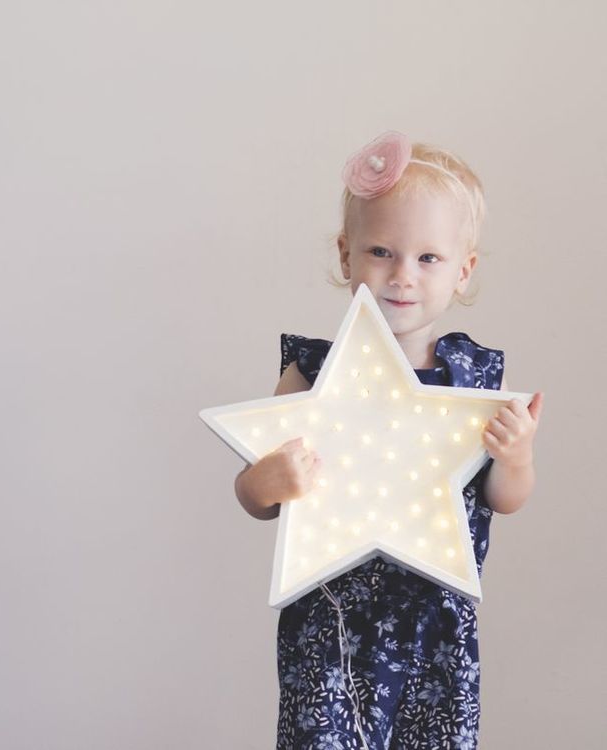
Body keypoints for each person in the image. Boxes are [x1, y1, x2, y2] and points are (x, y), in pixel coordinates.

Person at [234, 131, 545, 750]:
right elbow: (255, 492)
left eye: (428, 258)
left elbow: (504, 498)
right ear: (347, 255)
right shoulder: (310, 374)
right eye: (382, 251)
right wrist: (270, 480)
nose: (402, 275)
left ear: (464, 270)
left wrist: (517, 457)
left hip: (436, 622)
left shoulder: (474, 381)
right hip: (330, 617)